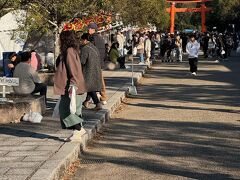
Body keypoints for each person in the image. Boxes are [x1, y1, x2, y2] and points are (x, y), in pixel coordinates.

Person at [54, 30, 87, 142]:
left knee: (66, 110)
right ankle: (78, 130)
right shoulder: (72, 50)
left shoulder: (69, 51)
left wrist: (73, 84)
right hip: (71, 85)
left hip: (71, 86)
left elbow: (73, 68)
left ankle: (78, 130)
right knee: (73, 109)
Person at [80, 33, 102, 111]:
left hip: (89, 70)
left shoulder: (85, 48)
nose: (81, 41)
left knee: (90, 87)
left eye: (82, 40)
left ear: (85, 40)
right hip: (96, 70)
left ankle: (97, 103)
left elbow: (82, 61)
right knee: (90, 86)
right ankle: (86, 101)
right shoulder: (94, 47)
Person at [88, 22, 108, 105]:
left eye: (89, 28)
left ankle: (101, 97)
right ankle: (101, 97)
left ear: (93, 30)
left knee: (94, 80)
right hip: (100, 62)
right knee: (99, 79)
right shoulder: (100, 38)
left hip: (94, 62)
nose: (88, 30)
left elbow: (91, 51)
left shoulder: (92, 39)